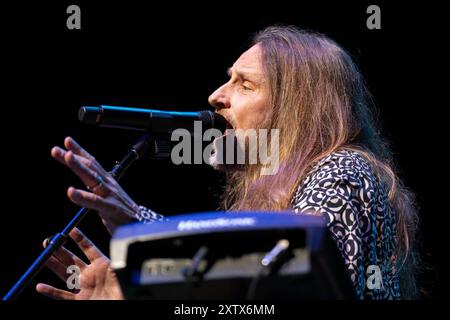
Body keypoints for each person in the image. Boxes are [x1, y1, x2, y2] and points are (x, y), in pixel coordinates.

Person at [36, 26, 419, 300]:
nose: (216, 96)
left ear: (296, 110)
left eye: (244, 84)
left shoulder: (341, 172)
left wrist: (142, 236)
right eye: (227, 80)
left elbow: (292, 281)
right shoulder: (293, 185)